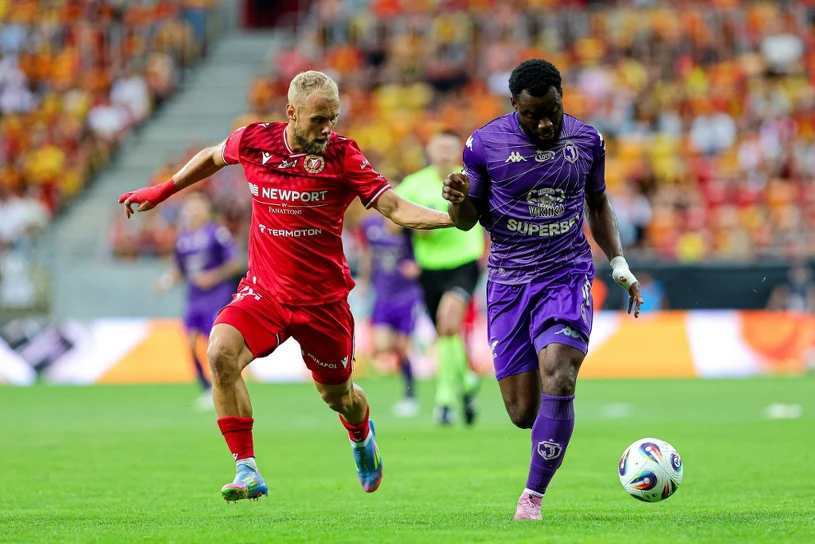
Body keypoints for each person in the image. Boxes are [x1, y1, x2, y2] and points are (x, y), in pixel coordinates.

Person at [118, 70, 453, 502]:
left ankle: (360, 433)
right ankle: (246, 468)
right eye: (318, 120)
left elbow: (394, 207)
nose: (327, 129)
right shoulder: (255, 140)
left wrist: (451, 218)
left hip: (323, 303)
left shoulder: (343, 155)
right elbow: (212, 156)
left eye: (332, 118)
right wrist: (161, 191)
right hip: (265, 293)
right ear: (291, 113)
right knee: (220, 353)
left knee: (338, 396)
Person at [442, 59, 644, 520]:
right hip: (509, 282)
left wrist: (618, 262)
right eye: (532, 115)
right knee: (522, 413)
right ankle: (548, 408)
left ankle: (532, 498)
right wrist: (458, 201)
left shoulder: (587, 140)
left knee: (560, 373)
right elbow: (468, 221)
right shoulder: (484, 144)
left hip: (566, 275)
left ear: (561, 99)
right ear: (514, 104)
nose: (545, 123)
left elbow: (598, 203)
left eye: (552, 111)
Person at [396, 130, 484, 426]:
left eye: (450, 148)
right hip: (429, 269)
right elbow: (394, 220)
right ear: (430, 151)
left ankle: (444, 400)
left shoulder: (470, 181)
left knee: (448, 322)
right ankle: (467, 381)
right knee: (445, 334)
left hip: (463, 263)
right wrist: (414, 227)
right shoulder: (414, 185)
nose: (445, 153)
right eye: (440, 147)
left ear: (458, 152)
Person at [154, 191, 242, 411]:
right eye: (189, 205)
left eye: (197, 205)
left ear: (206, 209)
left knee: (217, 346)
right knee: (192, 344)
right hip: (194, 299)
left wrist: (213, 276)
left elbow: (234, 263)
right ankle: (207, 389)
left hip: (217, 297)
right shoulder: (183, 238)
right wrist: (165, 282)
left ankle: (225, 386)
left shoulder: (217, 233)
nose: (193, 209)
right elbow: (179, 268)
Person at [357, 211, 423, 418]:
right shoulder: (371, 227)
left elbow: (423, 256)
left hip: (407, 297)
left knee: (402, 348)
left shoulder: (410, 232)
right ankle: (408, 343)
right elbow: (368, 254)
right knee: (382, 345)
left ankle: (410, 396)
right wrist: (364, 281)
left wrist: (418, 267)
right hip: (383, 297)